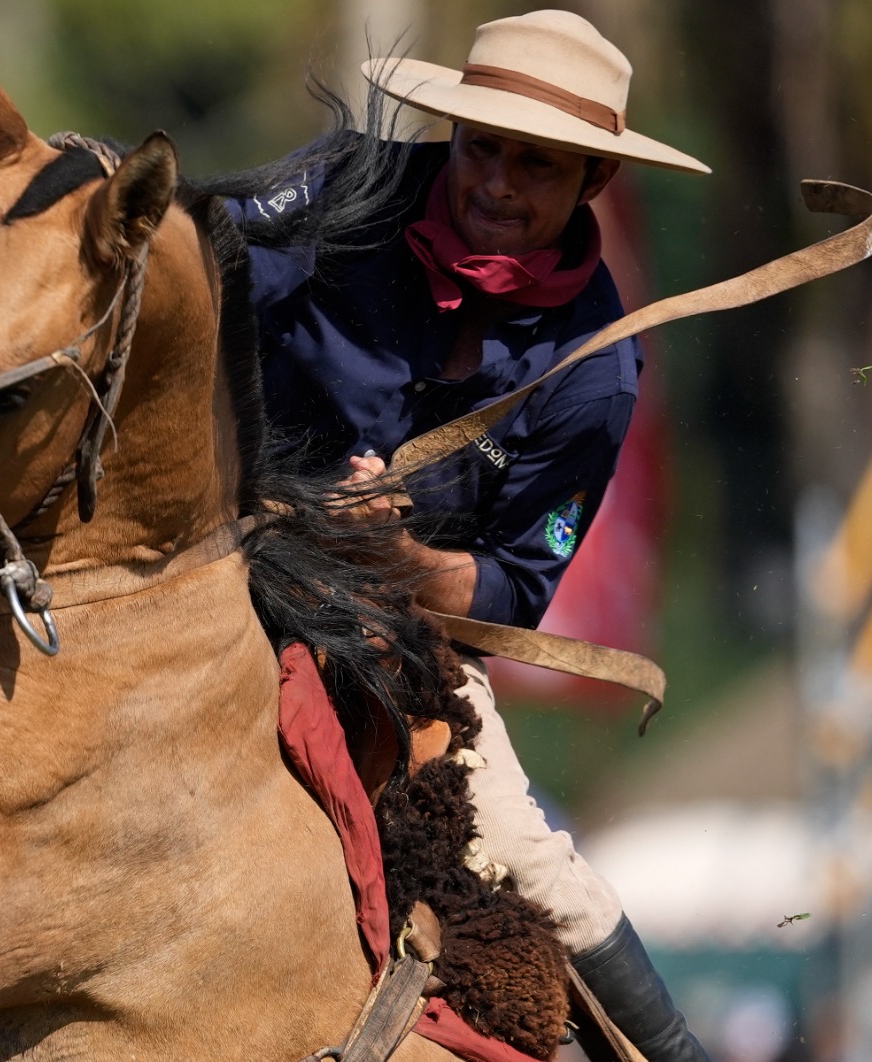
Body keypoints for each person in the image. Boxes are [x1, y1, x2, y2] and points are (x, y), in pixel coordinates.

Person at [232, 11, 711, 1062]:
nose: (493, 181)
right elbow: (189, 252)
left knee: (537, 865)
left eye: (534, 164)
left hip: (388, 642)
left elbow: (507, 598)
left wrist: (394, 560)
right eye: (480, 145)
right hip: (207, 552)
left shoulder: (595, 373)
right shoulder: (345, 185)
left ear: (589, 181)